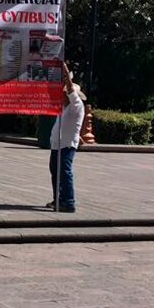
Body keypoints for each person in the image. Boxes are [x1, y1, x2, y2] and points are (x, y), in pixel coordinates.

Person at [47, 61, 85, 213]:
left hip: (67, 144)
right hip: (57, 144)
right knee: (55, 171)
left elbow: (70, 89)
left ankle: (68, 202)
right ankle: (59, 199)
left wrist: (65, 71)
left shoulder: (76, 105)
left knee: (64, 171)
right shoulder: (63, 107)